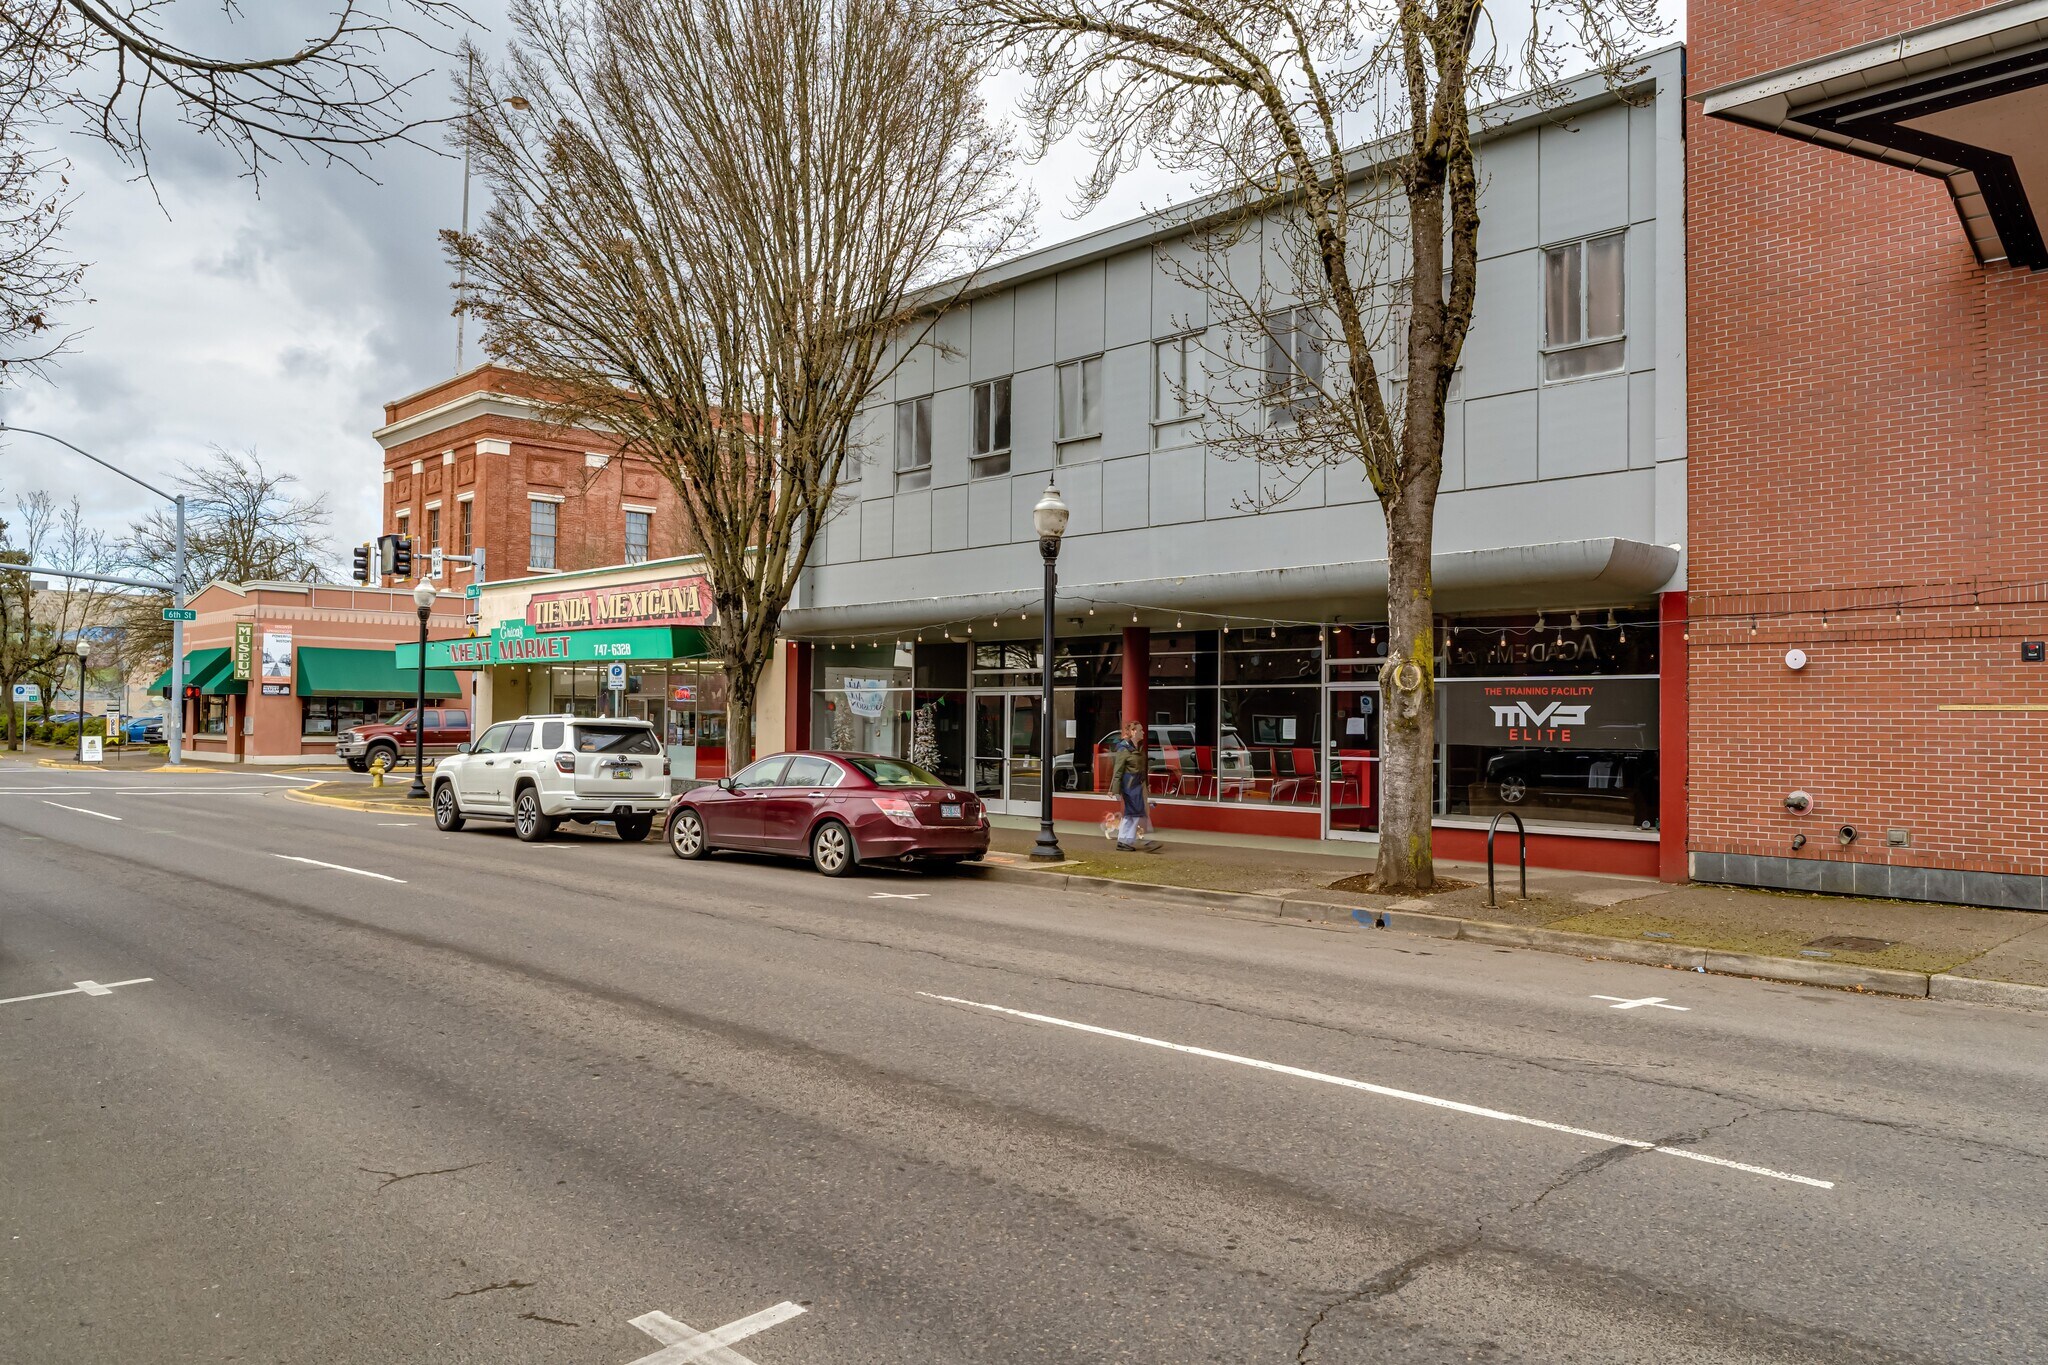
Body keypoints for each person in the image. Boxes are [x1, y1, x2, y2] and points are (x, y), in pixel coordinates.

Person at [1107, 720, 1161, 853]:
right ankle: (1125, 841)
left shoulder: (1138, 747)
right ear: (1133, 732)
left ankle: (1126, 841)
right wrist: (1115, 790)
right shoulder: (1124, 749)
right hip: (1129, 785)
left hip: (1138, 785)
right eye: (1141, 730)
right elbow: (1118, 770)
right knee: (1134, 813)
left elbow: (1143, 768)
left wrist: (1146, 784)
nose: (1143, 732)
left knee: (1134, 814)